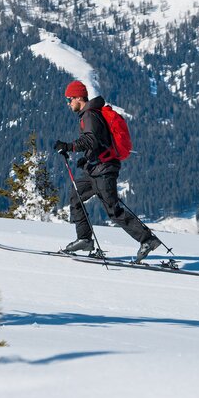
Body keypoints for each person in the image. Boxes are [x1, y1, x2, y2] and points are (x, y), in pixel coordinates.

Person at [53, 80, 161, 262]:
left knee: (113, 210)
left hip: (104, 170)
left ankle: (147, 240)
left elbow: (91, 140)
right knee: (75, 195)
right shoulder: (89, 114)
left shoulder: (89, 115)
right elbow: (98, 142)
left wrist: (69, 146)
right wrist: (86, 159)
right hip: (95, 168)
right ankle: (85, 239)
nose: (68, 103)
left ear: (79, 97)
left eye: (69, 99)